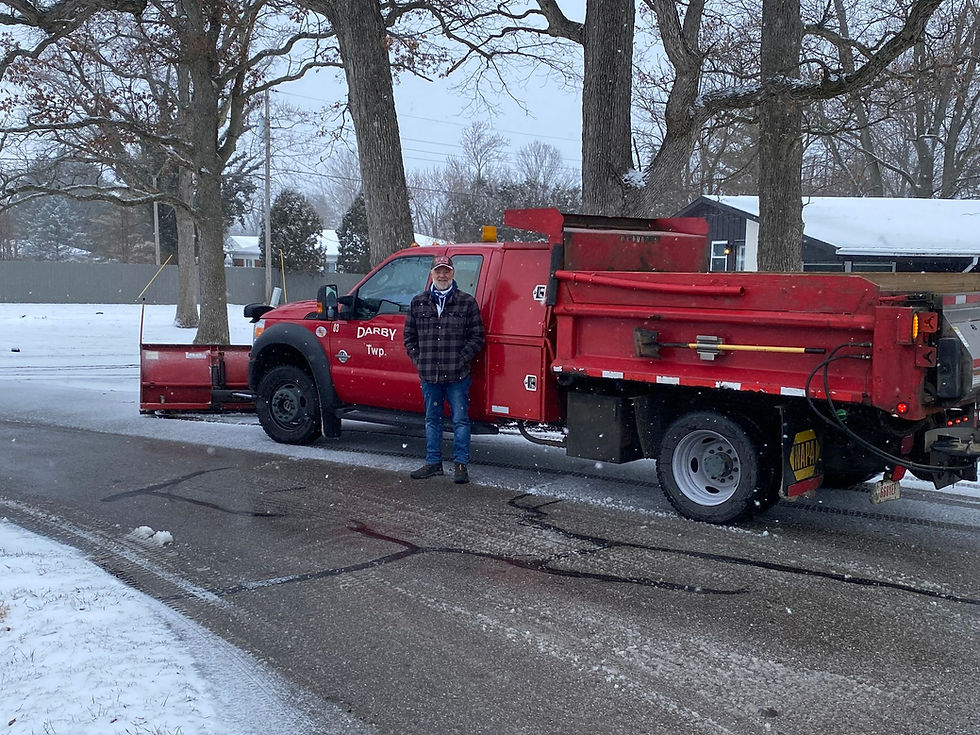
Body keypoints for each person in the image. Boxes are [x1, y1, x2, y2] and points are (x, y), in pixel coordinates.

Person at [403, 254, 485, 484]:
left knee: (460, 420)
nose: (442, 275)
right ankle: (433, 463)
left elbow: (477, 337)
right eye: (438, 271)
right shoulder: (418, 302)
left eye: (446, 271)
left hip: (458, 375)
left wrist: (461, 359)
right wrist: (419, 359)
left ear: (452, 273)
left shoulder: (466, 302)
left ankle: (460, 464)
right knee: (432, 420)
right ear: (431, 274)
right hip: (429, 375)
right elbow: (409, 336)